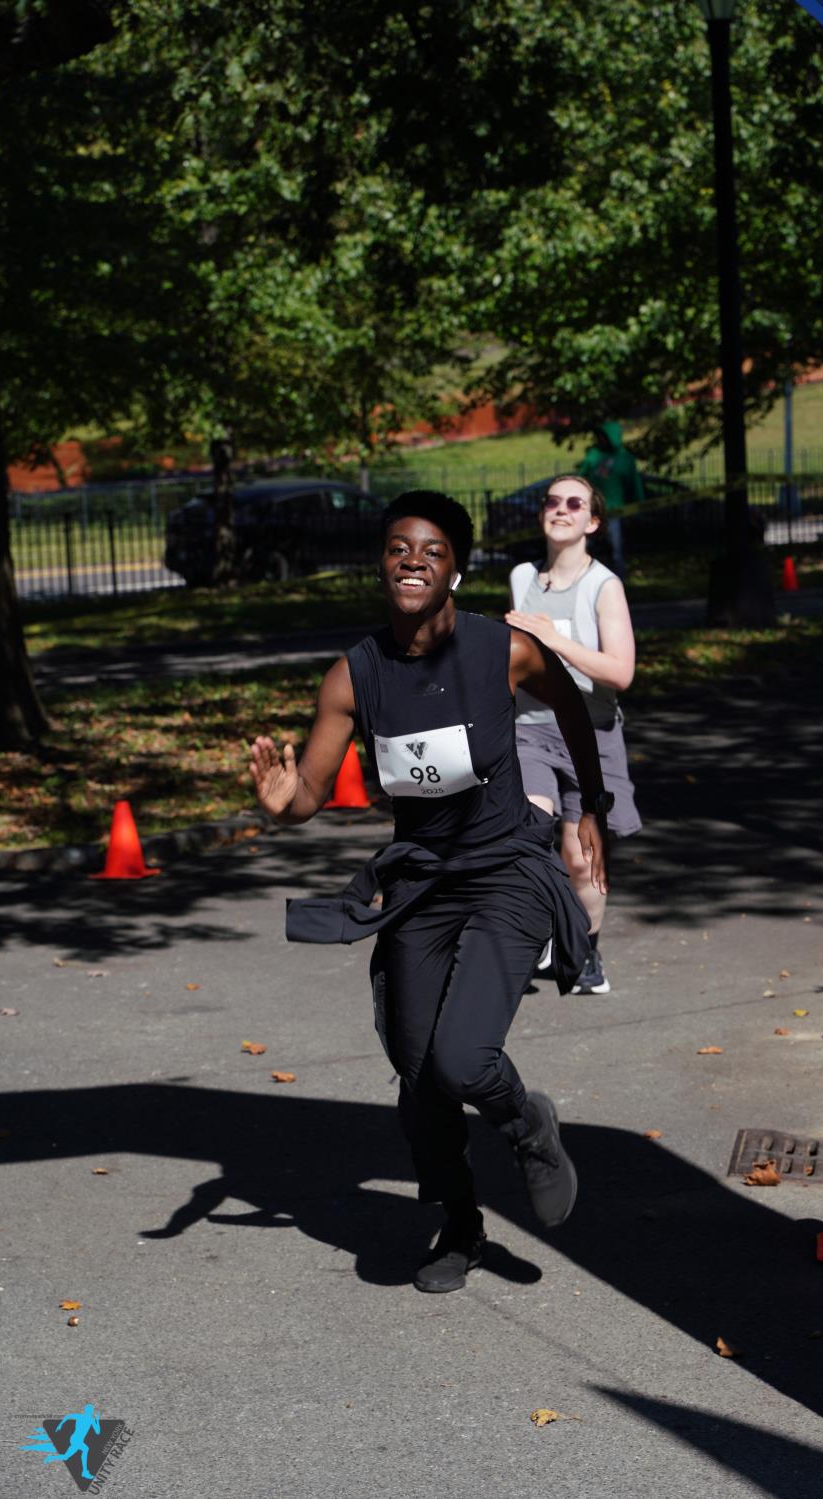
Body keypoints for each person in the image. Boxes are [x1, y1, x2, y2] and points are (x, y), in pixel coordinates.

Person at [249, 491, 612, 1296]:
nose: (413, 560)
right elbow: (310, 789)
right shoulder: (354, 675)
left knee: (463, 1056)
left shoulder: (503, 650)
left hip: (507, 869)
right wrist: (283, 802)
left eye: (432, 550)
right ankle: (461, 1220)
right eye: (398, 548)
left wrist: (589, 806)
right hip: (421, 884)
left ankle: (526, 1121)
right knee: (419, 1075)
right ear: (382, 563)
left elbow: (574, 708)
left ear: (456, 569)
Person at [505, 474, 641, 996]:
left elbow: (620, 672)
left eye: (574, 503)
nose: (560, 510)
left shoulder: (604, 586)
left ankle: (585, 952)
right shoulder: (522, 577)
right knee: (527, 832)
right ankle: (535, 931)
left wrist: (553, 639)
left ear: (592, 522)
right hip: (530, 730)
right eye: (552, 501)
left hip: (591, 733)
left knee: (581, 859)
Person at [578, 420, 645, 581]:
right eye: (599, 436)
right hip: (593, 511)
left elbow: (634, 484)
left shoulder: (625, 459)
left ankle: (617, 582)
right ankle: (583, 580)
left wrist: (639, 504)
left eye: (604, 436)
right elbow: (581, 478)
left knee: (616, 550)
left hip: (615, 512)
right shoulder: (594, 455)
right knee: (584, 548)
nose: (600, 439)